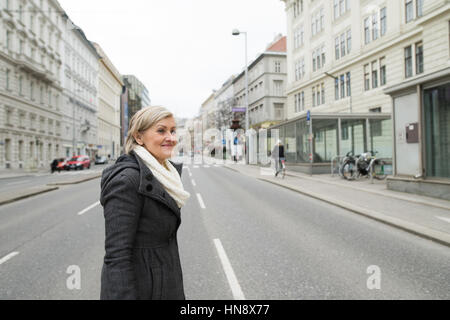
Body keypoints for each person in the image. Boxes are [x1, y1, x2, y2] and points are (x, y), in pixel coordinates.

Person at [99, 106, 191, 300]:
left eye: (173, 131)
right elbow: (117, 257)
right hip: (145, 291)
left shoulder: (164, 174)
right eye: (161, 130)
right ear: (139, 137)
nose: (171, 138)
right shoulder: (127, 180)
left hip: (165, 284)